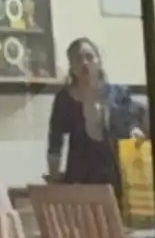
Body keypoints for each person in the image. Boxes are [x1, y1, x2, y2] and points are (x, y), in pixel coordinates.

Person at [47, 37, 139, 190]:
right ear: (72, 66)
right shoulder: (65, 99)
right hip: (80, 178)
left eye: (89, 57)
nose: (84, 63)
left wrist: (136, 132)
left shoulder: (118, 94)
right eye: (78, 59)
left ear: (99, 61)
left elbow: (132, 126)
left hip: (117, 175)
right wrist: (54, 177)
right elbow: (55, 141)